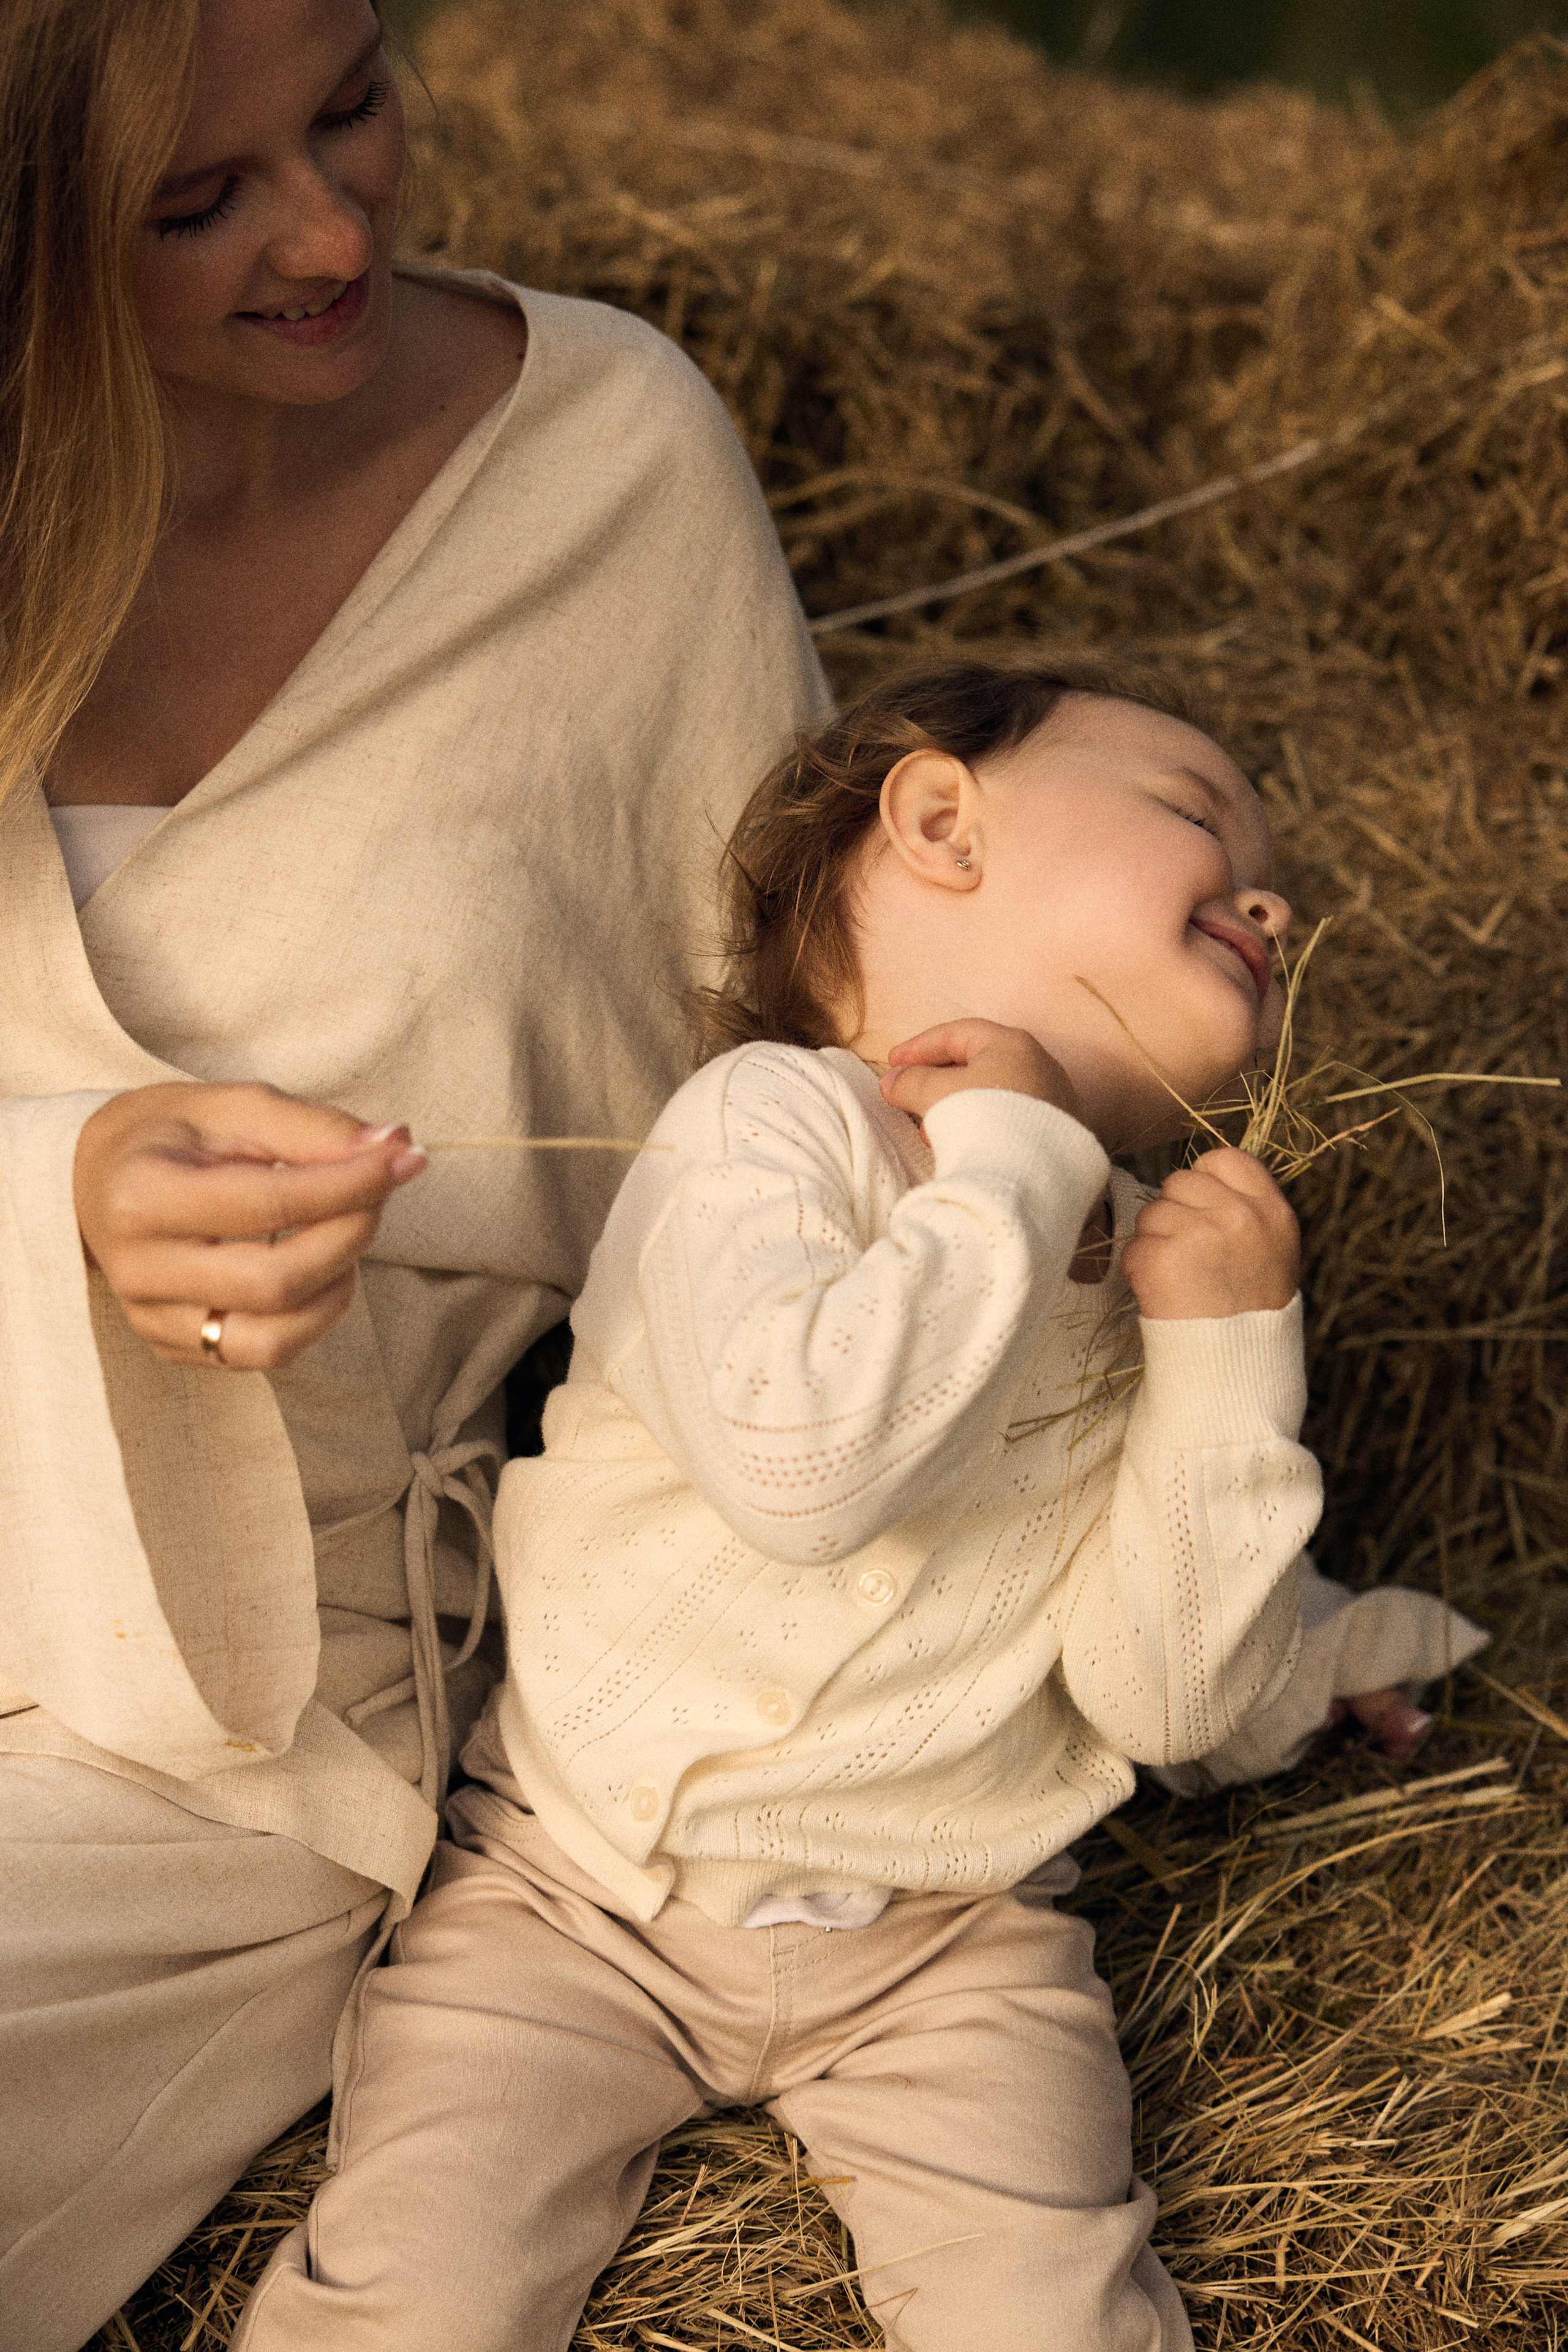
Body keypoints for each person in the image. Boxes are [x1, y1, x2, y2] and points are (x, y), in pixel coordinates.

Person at [235, 662, 1485, 2352]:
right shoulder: (766, 1128)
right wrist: (1018, 1159)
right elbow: (801, 1468)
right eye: (1196, 811)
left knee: (1055, 2317)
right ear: (942, 821)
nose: (1270, 891)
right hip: (577, 1894)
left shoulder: (1156, 1272)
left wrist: (1227, 1363)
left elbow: (1166, 1695)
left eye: (1277, 875)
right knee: (416, 2290)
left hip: (953, 1944)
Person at [0, 1, 829, 2345]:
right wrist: (57, 1194)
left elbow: (805, 1126)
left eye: (352, 102)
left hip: (210, 1721)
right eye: (198, 201)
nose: (335, 227)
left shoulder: (610, 468)